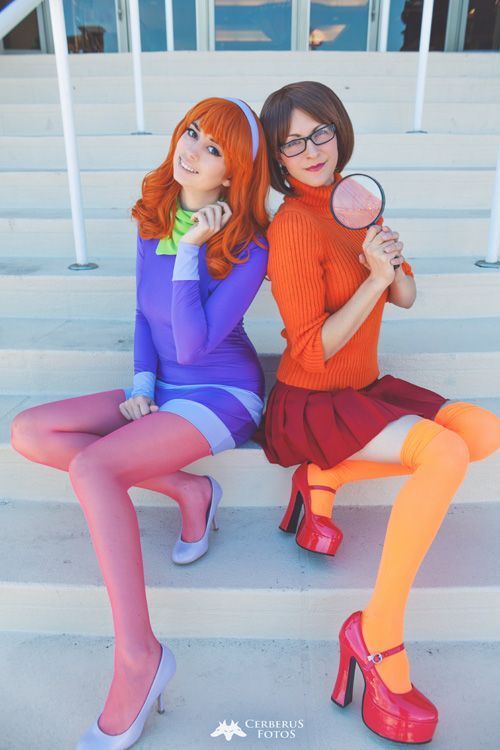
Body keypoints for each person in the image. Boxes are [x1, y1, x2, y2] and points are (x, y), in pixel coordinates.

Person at [10, 96, 269, 750]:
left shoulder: (248, 245)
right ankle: (188, 489)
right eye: (192, 132)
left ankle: (138, 657)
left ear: (235, 173)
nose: (192, 150)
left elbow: (192, 344)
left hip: (219, 394)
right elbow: (142, 317)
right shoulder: (156, 213)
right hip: (165, 386)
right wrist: (142, 386)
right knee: (31, 432)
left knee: (96, 467)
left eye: (214, 148)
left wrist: (192, 250)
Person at [256, 80, 499, 743]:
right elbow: (313, 349)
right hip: (311, 400)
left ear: (341, 131)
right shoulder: (293, 225)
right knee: (444, 452)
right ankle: (378, 634)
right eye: (293, 143)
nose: (312, 150)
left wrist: (388, 258)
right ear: (278, 160)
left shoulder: (355, 202)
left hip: (363, 392)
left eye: (322, 133)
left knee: (482, 431)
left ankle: (324, 479)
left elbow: (409, 297)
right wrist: (369, 278)